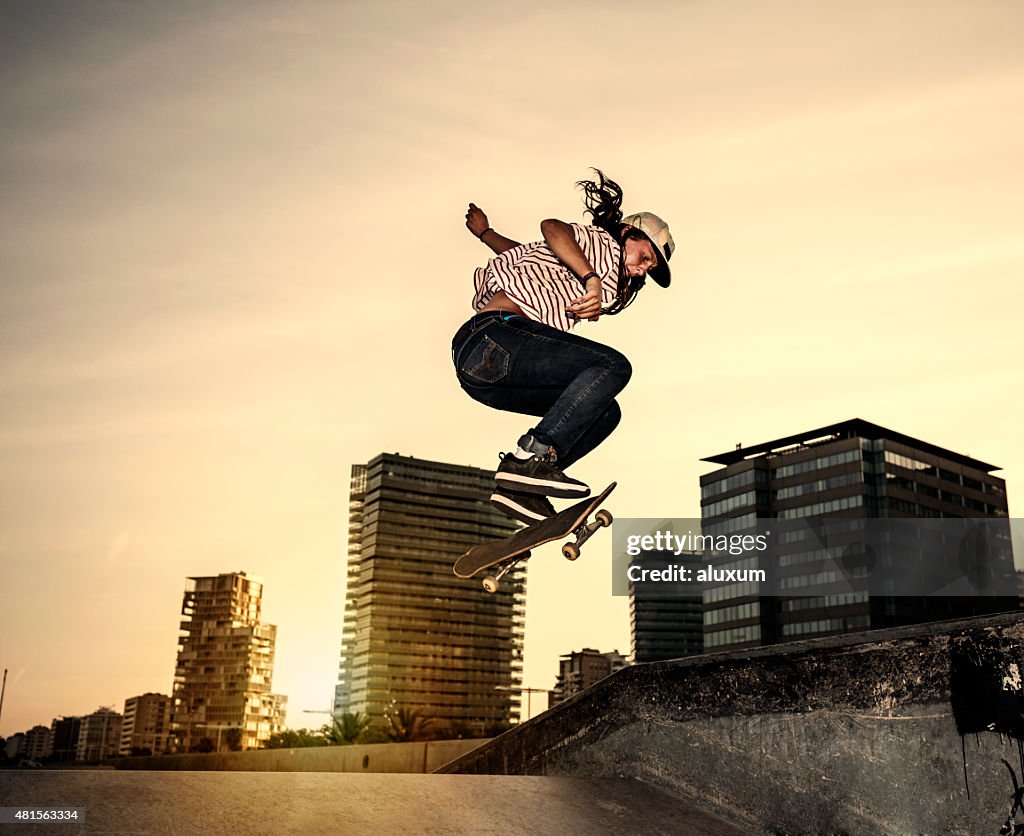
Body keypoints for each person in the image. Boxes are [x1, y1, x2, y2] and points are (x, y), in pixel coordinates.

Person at [451, 169, 675, 525]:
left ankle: (525, 486)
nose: (641, 271)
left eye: (647, 269)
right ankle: (532, 456)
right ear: (628, 234)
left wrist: (486, 234)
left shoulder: (590, 271)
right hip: (493, 338)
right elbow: (552, 228)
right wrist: (591, 278)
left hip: (490, 375)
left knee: (605, 412)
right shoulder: (600, 243)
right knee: (614, 367)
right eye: (644, 258)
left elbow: (527, 255)